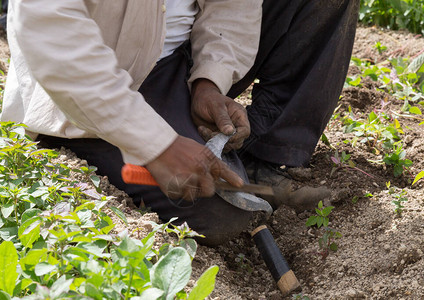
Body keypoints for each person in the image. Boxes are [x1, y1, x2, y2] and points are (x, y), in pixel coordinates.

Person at [1, 0, 359, 246]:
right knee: (218, 214)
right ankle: (105, 139)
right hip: (100, 74)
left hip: (182, 54)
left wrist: (210, 80)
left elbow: (231, 6)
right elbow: (51, 37)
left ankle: (261, 159)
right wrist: (157, 145)